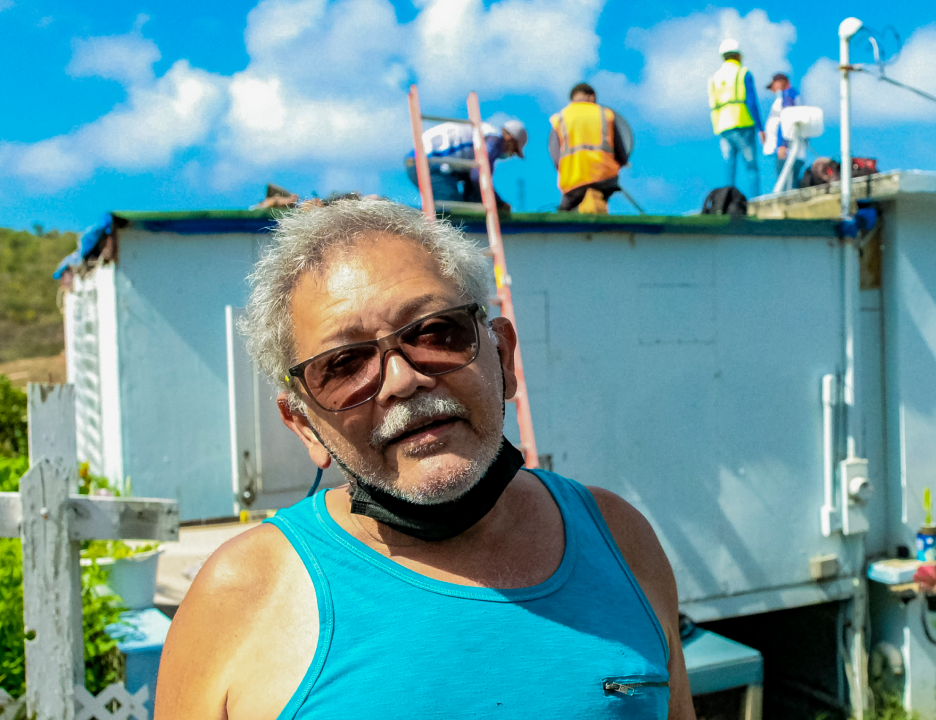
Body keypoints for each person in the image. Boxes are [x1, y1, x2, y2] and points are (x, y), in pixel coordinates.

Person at [154, 198, 696, 719]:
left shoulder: (621, 540)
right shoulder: (240, 596)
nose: (403, 379)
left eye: (436, 331)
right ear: (303, 425)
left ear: (502, 355)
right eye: (343, 364)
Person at [406, 119, 527, 210]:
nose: (510, 155)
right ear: (509, 139)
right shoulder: (495, 140)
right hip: (426, 162)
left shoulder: (485, 134)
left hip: (424, 160)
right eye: (514, 150)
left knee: (470, 194)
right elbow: (478, 176)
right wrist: (498, 203)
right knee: (452, 209)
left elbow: (473, 176)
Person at [549, 83, 632, 213]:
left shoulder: (560, 118)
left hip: (573, 181)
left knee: (565, 213)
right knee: (600, 202)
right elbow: (620, 151)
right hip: (605, 179)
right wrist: (622, 163)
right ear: (592, 97)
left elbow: (555, 156)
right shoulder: (606, 115)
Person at [708, 39, 764, 198]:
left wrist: (717, 127)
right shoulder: (743, 73)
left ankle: (726, 201)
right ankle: (755, 199)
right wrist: (760, 127)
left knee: (729, 167)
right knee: (751, 166)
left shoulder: (715, 78)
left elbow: (712, 104)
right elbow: (752, 102)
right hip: (743, 123)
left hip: (723, 127)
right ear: (738, 55)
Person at [762, 73, 803, 191]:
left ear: (781, 81)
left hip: (788, 150)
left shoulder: (788, 95)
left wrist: (782, 144)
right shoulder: (795, 95)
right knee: (792, 183)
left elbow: (786, 120)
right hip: (796, 149)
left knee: (785, 185)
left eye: (773, 85)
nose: (773, 89)